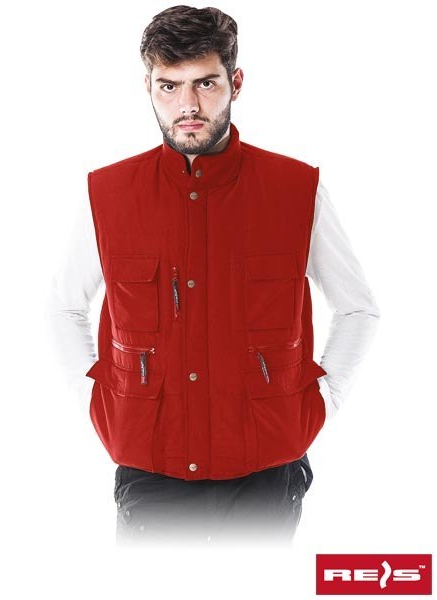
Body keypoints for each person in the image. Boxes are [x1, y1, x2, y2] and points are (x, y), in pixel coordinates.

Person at [46, 5, 380, 547]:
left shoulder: (295, 190)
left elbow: (358, 308)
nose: (188, 105)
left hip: (266, 470)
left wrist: (324, 400)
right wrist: (97, 400)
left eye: (205, 83)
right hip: (152, 471)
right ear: (148, 87)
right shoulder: (109, 194)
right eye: (169, 86)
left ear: (235, 83)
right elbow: (63, 306)